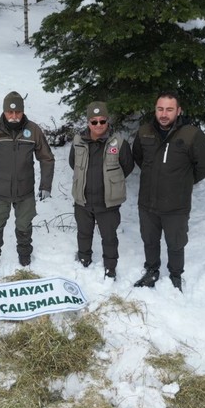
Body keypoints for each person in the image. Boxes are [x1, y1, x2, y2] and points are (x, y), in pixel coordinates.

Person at [132, 91, 205, 292]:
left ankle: (176, 275)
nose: (164, 114)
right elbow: (139, 157)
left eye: (169, 109)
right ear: (155, 109)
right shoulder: (144, 132)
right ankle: (151, 270)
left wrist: (184, 181)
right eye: (160, 109)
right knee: (149, 240)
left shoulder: (191, 134)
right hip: (148, 203)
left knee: (176, 243)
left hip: (176, 205)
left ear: (178, 111)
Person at [0, 91, 55, 273]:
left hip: (24, 189)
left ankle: (24, 255)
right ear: (4, 111)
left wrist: (46, 185)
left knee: (24, 225)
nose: (14, 116)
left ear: (23, 111)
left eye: (18, 112)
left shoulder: (33, 130)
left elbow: (47, 158)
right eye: (10, 112)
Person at [69, 101, 134, 280]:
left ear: (107, 121)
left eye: (102, 121)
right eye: (94, 121)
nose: (98, 125)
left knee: (109, 237)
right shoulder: (78, 141)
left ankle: (110, 267)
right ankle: (84, 259)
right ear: (88, 122)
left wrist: (111, 183)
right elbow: (73, 163)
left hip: (108, 202)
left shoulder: (119, 142)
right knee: (83, 233)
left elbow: (127, 167)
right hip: (83, 200)